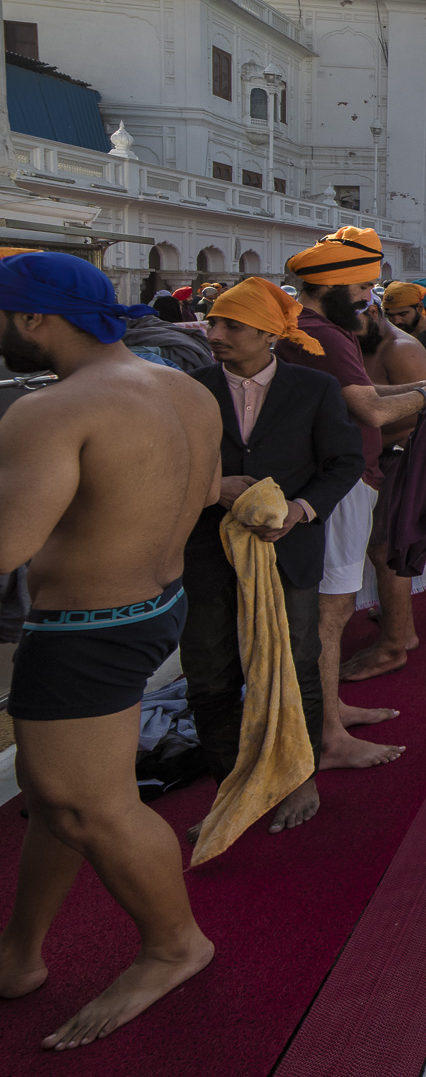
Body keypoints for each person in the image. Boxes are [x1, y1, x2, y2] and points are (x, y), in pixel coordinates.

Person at [0, 252, 221, 1050]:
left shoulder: (52, 411)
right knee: (58, 794)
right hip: (154, 606)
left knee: (91, 803)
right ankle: (18, 954)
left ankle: (173, 945)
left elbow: (7, 544)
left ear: (32, 321)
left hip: (86, 629)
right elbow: (198, 497)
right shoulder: (185, 388)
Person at [281, 227, 426, 767]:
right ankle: (327, 736)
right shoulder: (321, 333)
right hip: (338, 484)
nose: (371, 298)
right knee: (332, 609)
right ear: (333, 288)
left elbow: (358, 395)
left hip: (338, 479)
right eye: (363, 287)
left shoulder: (314, 329)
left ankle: (329, 710)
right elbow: (371, 411)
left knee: (330, 606)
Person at [182, 278, 363, 835]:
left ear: (267, 334)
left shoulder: (313, 388)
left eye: (230, 325)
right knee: (211, 677)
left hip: (288, 552)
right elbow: (165, 470)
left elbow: (344, 462)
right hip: (210, 555)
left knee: (296, 667)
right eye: (212, 322)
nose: (214, 334)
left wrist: (302, 510)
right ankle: (232, 790)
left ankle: (297, 777)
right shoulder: (188, 392)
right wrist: (215, 489)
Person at [338, 302, 426, 683]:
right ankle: (396, 624)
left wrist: (362, 439)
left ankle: (398, 639)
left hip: (397, 458)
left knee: (385, 548)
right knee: (379, 549)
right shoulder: (361, 345)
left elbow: (414, 415)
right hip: (374, 459)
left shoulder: (402, 349)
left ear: (372, 311)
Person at [381, 282, 426, 349]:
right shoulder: (385, 334)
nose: (397, 321)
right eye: (390, 315)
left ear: (420, 308)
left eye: (403, 314)